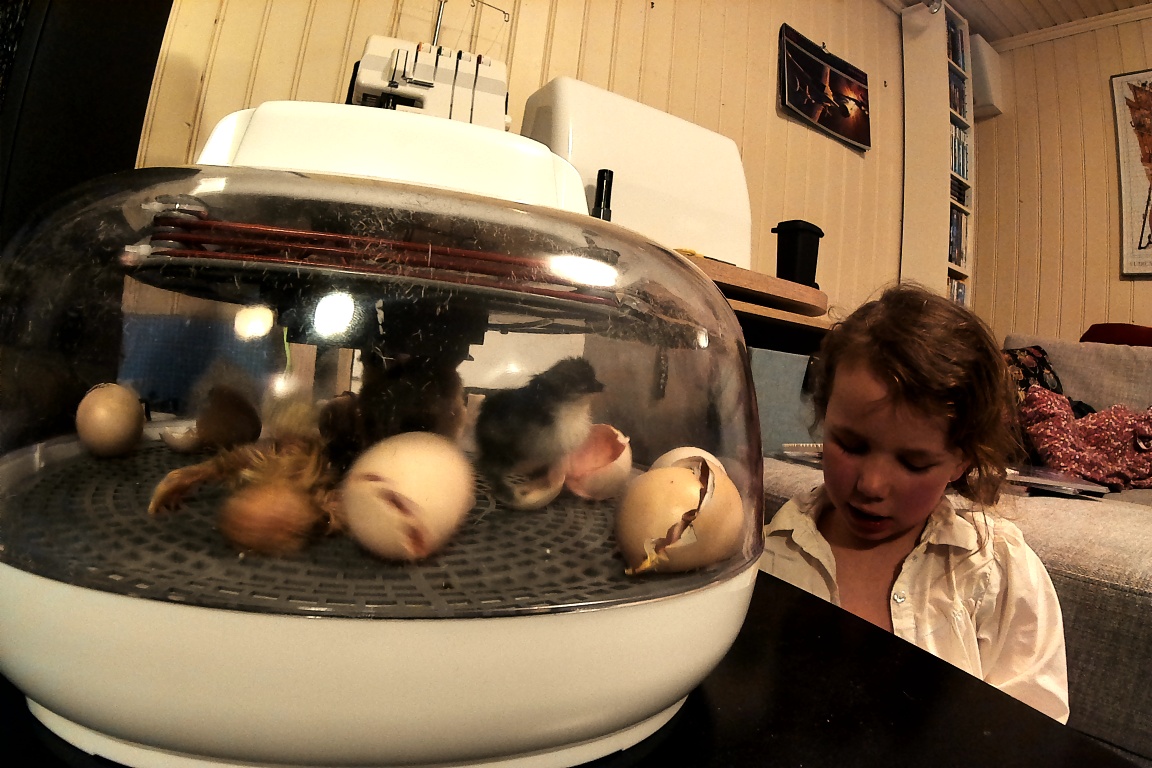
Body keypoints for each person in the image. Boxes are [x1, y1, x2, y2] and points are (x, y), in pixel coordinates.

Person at [759, 283, 1069, 723]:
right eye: (850, 445)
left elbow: (1031, 729)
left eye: (914, 463)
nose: (871, 485)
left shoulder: (994, 568)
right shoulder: (770, 554)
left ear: (962, 459)